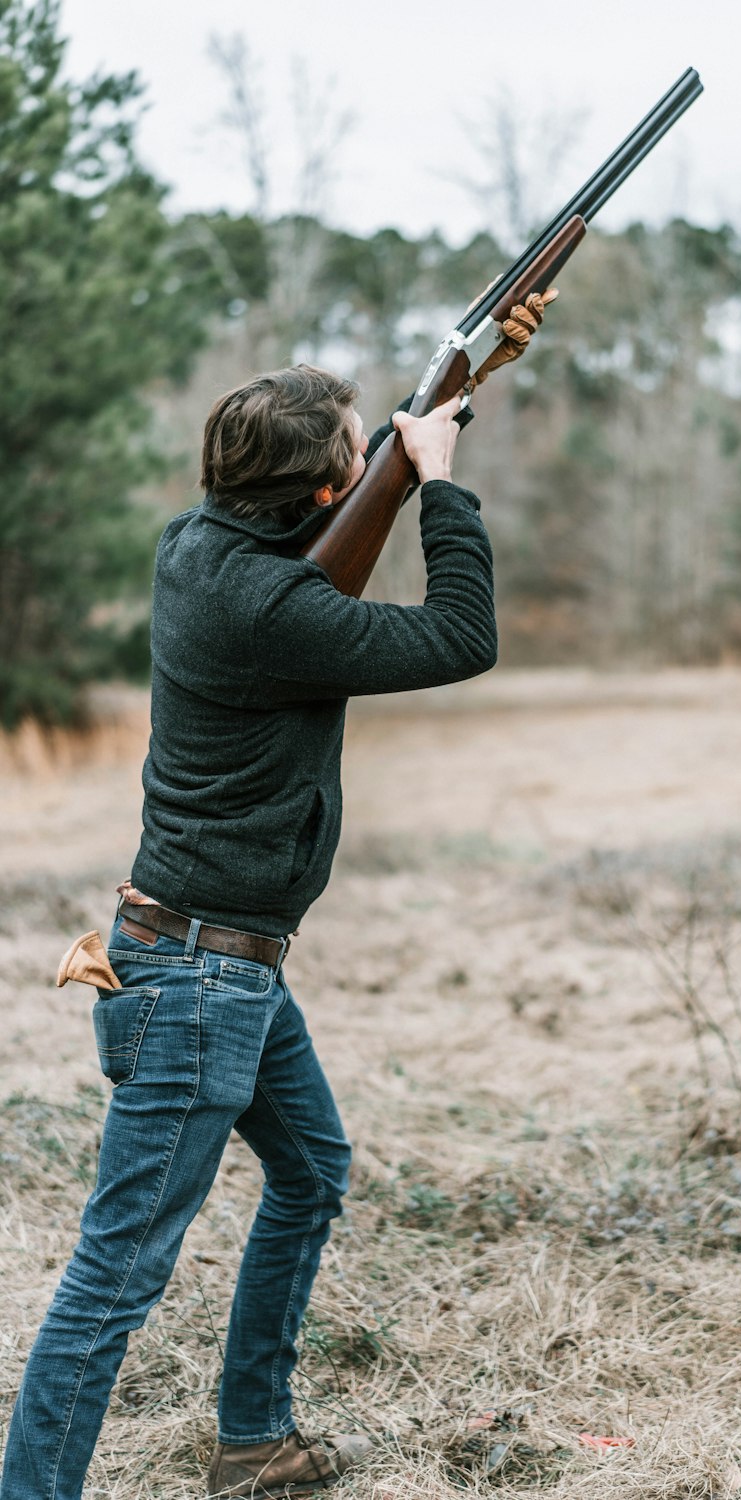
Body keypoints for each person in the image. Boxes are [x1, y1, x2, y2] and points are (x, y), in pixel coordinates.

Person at [0, 361, 507, 1499]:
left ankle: (251, 1443)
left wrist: (429, 411)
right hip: (197, 980)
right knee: (113, 1279)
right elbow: (463, 636)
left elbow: (320, 524)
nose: (358, 455)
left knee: (312, 1170)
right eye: (349, 445)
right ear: (323, 486)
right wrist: (439, 485)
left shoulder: (197, 545)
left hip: (214, 963)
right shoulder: (277, 611)